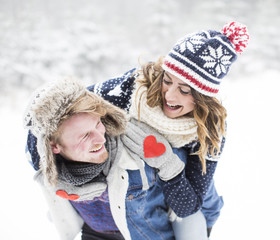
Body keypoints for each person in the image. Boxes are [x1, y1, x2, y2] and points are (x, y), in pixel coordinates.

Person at [26, 21, 249, 239]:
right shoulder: (131, 88)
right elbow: (61, 115)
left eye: (184, 90)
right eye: (167, 80)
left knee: (200, 211)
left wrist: (168, 166)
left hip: (175, 187)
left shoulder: (210, 130)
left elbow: (187, 204)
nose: (169, 96)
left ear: (203, 97)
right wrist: (53, 173)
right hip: (130, 190)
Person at [23, 77, 187, 240]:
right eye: (85, 136)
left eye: (97, 124)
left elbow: (194, 189)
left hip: (145, 234)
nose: (101, 139)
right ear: (54, 147)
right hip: (93, 233)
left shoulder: (138, 152)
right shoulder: (51, 173)